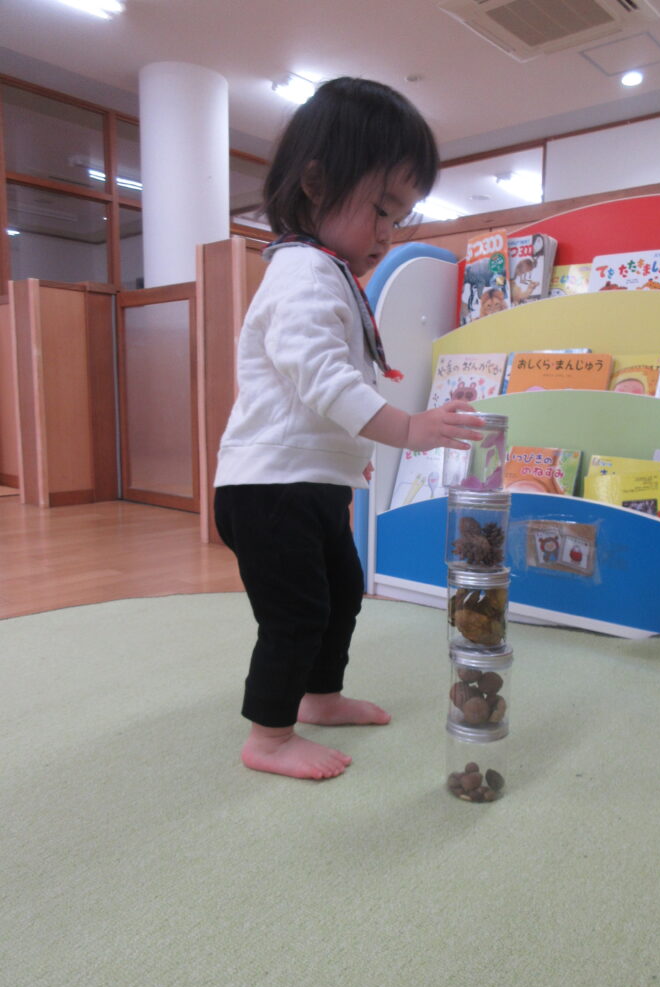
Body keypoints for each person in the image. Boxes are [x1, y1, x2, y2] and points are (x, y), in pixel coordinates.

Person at [214, 77, 483, 782]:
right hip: (269, 488)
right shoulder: (302, 274)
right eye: (381, 210)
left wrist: (351, 454)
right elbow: (324, 380)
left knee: (340, 594)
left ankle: (320, 696)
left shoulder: (329, 273)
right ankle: (269, 736)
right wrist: (407, 428)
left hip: (310, 484)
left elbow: (334, 389)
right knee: (298, 612)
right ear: (315, 183)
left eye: (402, 218)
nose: (388, 234)